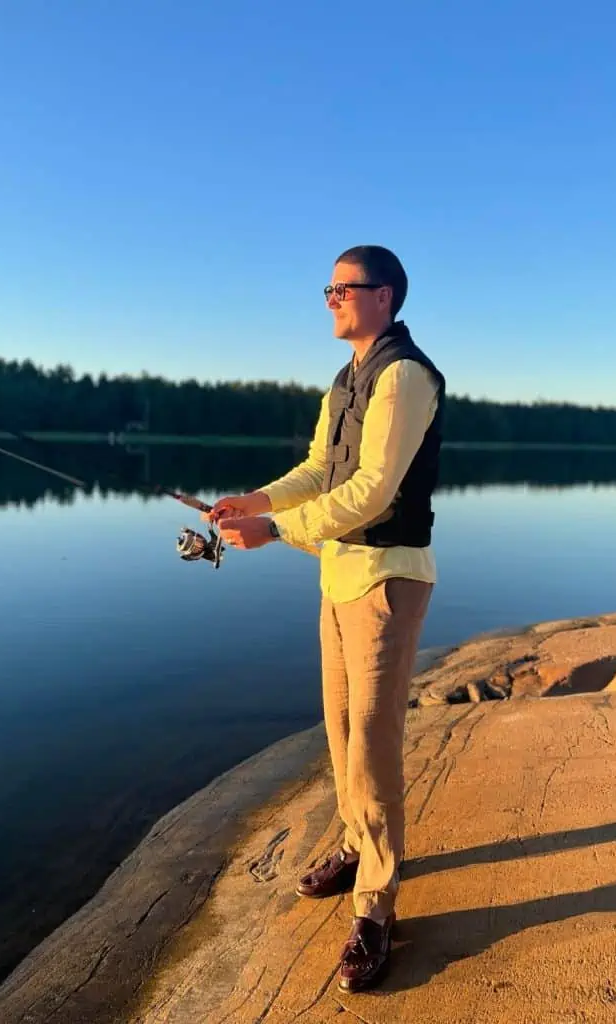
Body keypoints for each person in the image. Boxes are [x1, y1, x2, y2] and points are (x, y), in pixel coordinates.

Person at [208, 245, 445, 993]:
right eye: (328, 289)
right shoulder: (345, 380)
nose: (331, 300)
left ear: (385, 297)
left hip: (385, 579)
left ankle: (376, 906)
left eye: (344, 289)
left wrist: (277, 532)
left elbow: (375, 491)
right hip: (338, 578)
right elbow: (318, 467)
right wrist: (257, 502)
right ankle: (356, 843)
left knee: (373, 746)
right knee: (340, 731)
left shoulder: (404, 376)